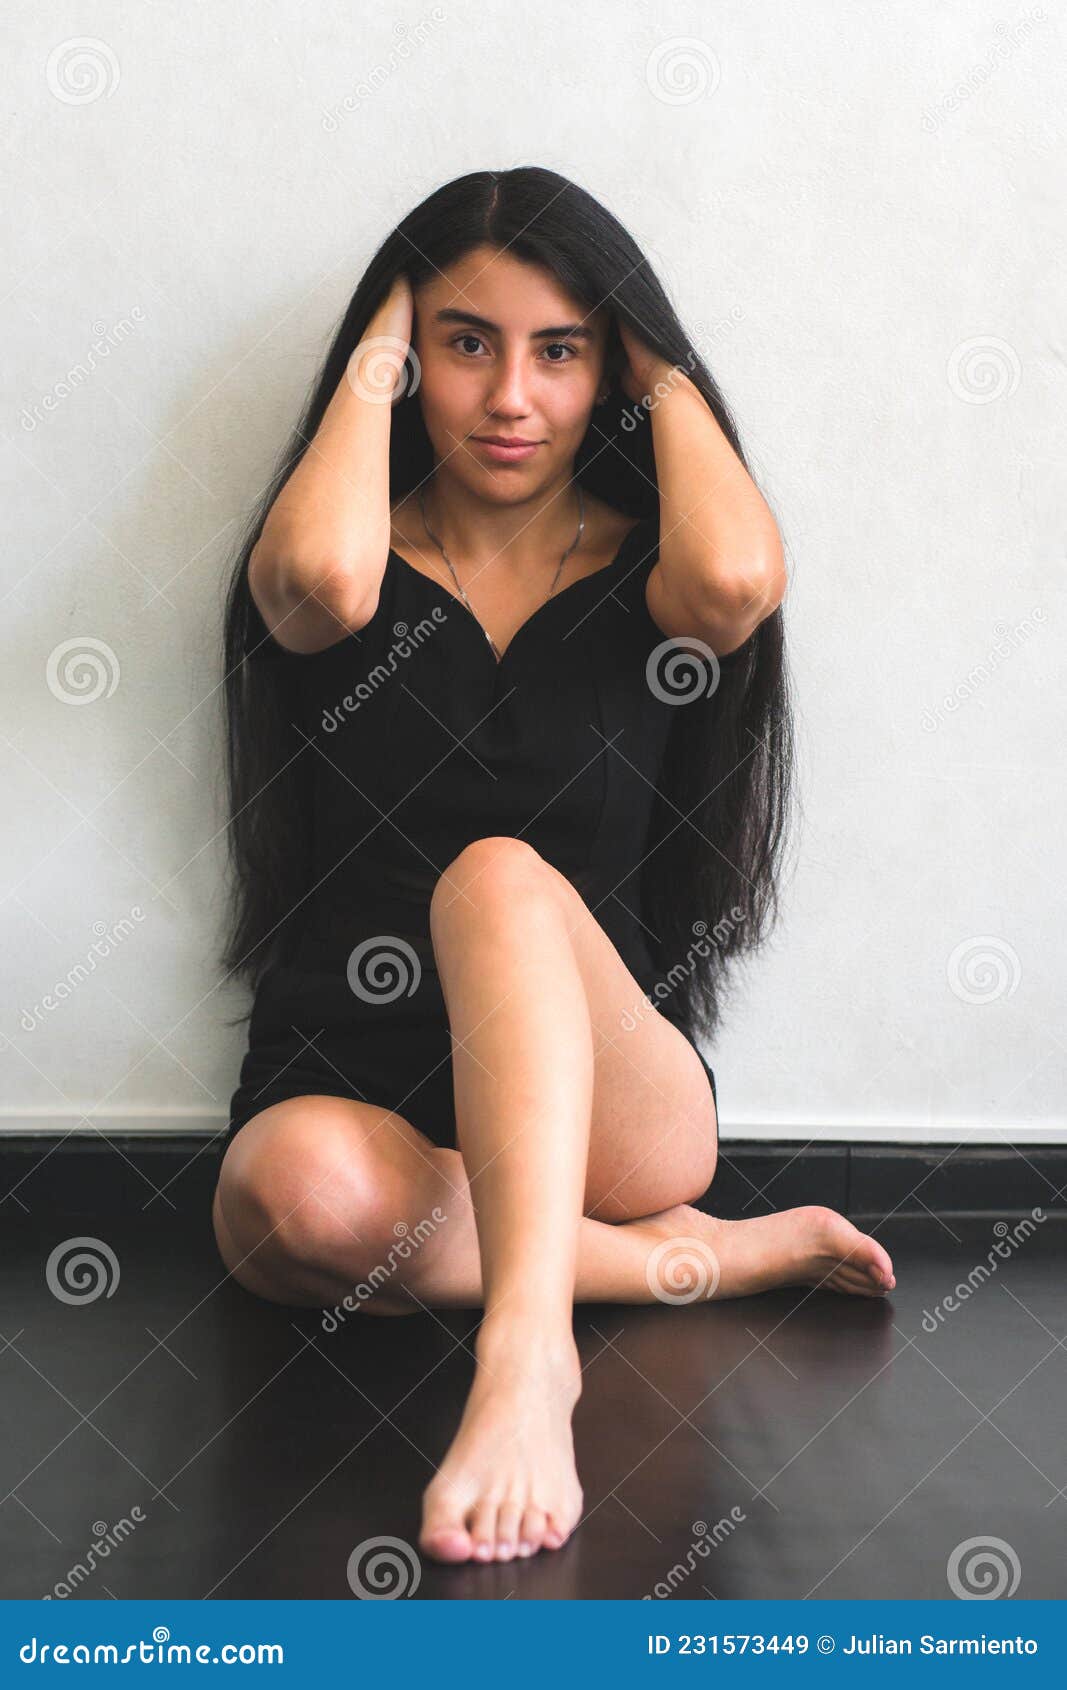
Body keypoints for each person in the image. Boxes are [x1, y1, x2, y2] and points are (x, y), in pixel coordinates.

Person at [212, 167, 896, 1569]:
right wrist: (376, 350)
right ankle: (677, 1260)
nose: (511, 395)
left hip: (616, 1114)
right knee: (282, 1200)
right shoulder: (353, 561)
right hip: (363, 1087)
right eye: (467, 343)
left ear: (614, 369)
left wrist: (661, 363)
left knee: (499, 879)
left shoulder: (651, 571)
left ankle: (526, 1358)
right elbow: (321, 587)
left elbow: (743, 578)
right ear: (407, 361)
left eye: (560, 350)